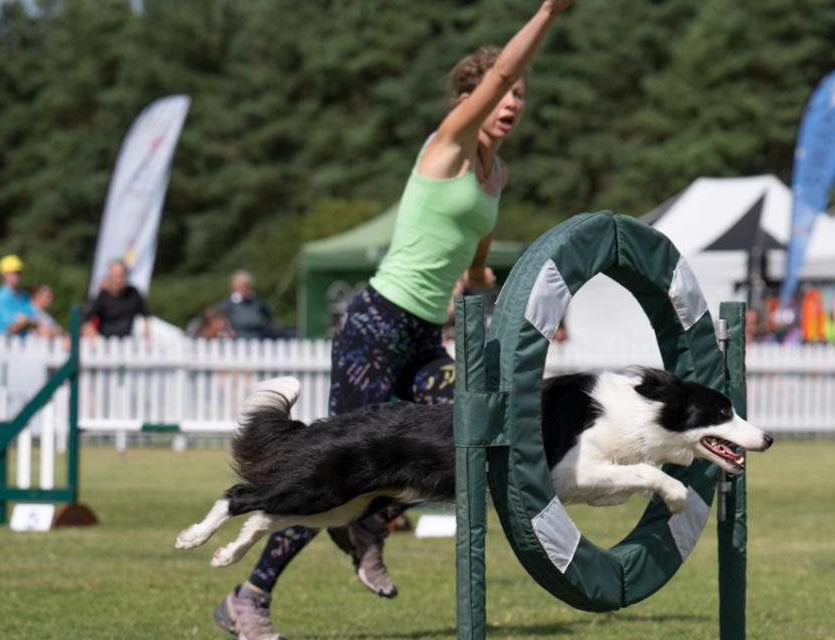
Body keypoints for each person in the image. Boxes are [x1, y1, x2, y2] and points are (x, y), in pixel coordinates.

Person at [211, 4, 576, 638]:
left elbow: (479, 265)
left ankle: (368, 527)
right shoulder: (450, 145)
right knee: (337, 468)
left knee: (465, 416)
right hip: (375, 328)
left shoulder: (498, 176)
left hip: (422, 337)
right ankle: (249, 597)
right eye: (503, 92)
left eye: (520, 95)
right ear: (470, 98)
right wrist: (548, 11)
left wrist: (507, 294)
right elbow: (501, 71)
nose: (512, 103)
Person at [83, 260, 150, 339]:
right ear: (110, 276)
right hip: (105, 341)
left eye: (121, 276)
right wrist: (96, 338)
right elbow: (86, 320)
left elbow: (145, 316)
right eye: (116, 276)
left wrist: (146, 335)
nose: (119, 280)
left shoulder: (133, 293)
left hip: (127, 341)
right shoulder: (103, 296)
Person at [0, 255, 37, 336]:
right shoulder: (1, 297)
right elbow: (12, 328)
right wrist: (27, 322)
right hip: (5, 345)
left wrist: (26, 321)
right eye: (13, 273)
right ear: (3, 274)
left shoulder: (23, 294)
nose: (16, 276)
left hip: (24, 344)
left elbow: (35, 320)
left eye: (19, 272)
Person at [218, 270, 273, 339]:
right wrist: (227, 330)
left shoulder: (256, 302)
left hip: (255, 339)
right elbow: (214, 317)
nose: (243, 290)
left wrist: (264, 331)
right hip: (236, 341)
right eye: (240, 288)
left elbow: (269, 315)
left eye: (245, 288)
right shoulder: (228, 304)